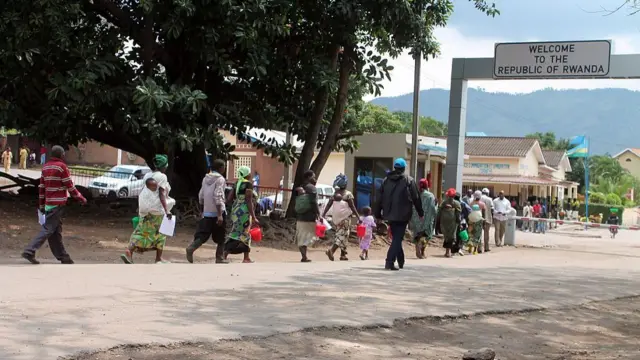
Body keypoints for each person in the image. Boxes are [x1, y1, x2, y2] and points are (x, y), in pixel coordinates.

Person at [21, 145, 87, 264]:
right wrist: (80, 198)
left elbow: (41, 188)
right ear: (61, 155)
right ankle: (29, 250)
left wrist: (41, 205)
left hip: (48, 204)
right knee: (48, 229)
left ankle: (63, 256)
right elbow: (70, 186)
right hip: (58, 204)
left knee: (55, 231)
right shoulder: (62, 167)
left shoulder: (45, 167)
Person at [121, 154, 174, 264]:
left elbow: (144, 193)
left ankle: (129, 251)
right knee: (161, 234)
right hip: (157, 211)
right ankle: (158, 258)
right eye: (166, 166)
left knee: (141, 231)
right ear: (163, 166)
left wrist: (140, 207)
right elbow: (161, 194)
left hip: (145, 210)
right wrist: (167, 210)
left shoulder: (148, 175)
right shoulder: (162, 177)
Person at [375, 158, 424, 270]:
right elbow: (416, 198)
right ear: (403, 168)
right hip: (403, 214)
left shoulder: (386, 180)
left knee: (397, 237)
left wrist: (377, 214)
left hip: (389, 214)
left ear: (395, 167)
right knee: (397, 237)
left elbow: (379, 198)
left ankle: (401, 260)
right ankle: (389, 262)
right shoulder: (409, 180)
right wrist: (420, 212)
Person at [186, 159, 228, 264]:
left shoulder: (205, 178)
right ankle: (219, 258)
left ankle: (191, 248)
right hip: (218, 211)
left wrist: (202, 210)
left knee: (203, 234)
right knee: (221, 236)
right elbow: (218, 196)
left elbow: (201, 195)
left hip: (207, 211)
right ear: (221, 168)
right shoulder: (220, 179)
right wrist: (219, 215)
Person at [225, 165, 259, 263]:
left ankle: (245, 257)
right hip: (244, 211)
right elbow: (248, 200)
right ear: (247, 174)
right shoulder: (248, 184)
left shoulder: (237, 183)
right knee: (242, 233)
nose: (250, 174)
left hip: (235, 210)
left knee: (238, 232)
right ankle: (227, 253)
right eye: (249, 172)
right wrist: (253, 216)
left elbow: (229, 199)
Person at [323, 174, 359, 261]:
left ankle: (343, 255)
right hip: (345, 219)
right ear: (345, 184)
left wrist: (323, 214)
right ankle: (331, 250)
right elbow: (352, 206)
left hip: (336, 219)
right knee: (342, 235)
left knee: (342, 234)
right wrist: (358, 216)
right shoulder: (348, 194)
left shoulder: (335, 194)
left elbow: (328, 204)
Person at [295, 171, 321, 262]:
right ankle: (304, 256)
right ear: (309, 177)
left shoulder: (300, 187)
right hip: (309, 216)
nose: (315, 179)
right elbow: (314, 202)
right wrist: (318, 213)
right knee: (310, 236)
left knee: (302, 236)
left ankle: (304, 256)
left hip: (300, 216)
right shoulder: (311, 188)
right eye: (313, 177)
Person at [409, 178, 437, 259]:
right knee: (426, 235)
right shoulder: (430, 196)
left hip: (415, 218)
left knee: (417, 234)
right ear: (427, 186)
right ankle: (422, 251)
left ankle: (417, 247)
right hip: (427, 219)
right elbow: (432, 207)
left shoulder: (415, 194)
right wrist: (435, 213)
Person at [436, 188, 461, 258]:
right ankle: (448, 252)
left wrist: (438, 221)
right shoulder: (457, 203)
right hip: (452, 222)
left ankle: (447, 251)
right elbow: (458, 214)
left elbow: (439, 212)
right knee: (451, 236)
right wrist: (459, 221)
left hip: (444, 222)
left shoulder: (444, 203)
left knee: (446, 236)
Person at [480, 188, 494, 252]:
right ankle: (486, 247)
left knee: (479, 233)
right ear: (488, 193)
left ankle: (478, 248)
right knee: (486, 234)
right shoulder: (490, 199)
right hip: (488, 218)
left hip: (479, 218)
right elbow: (492, 209)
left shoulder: (478, 198)